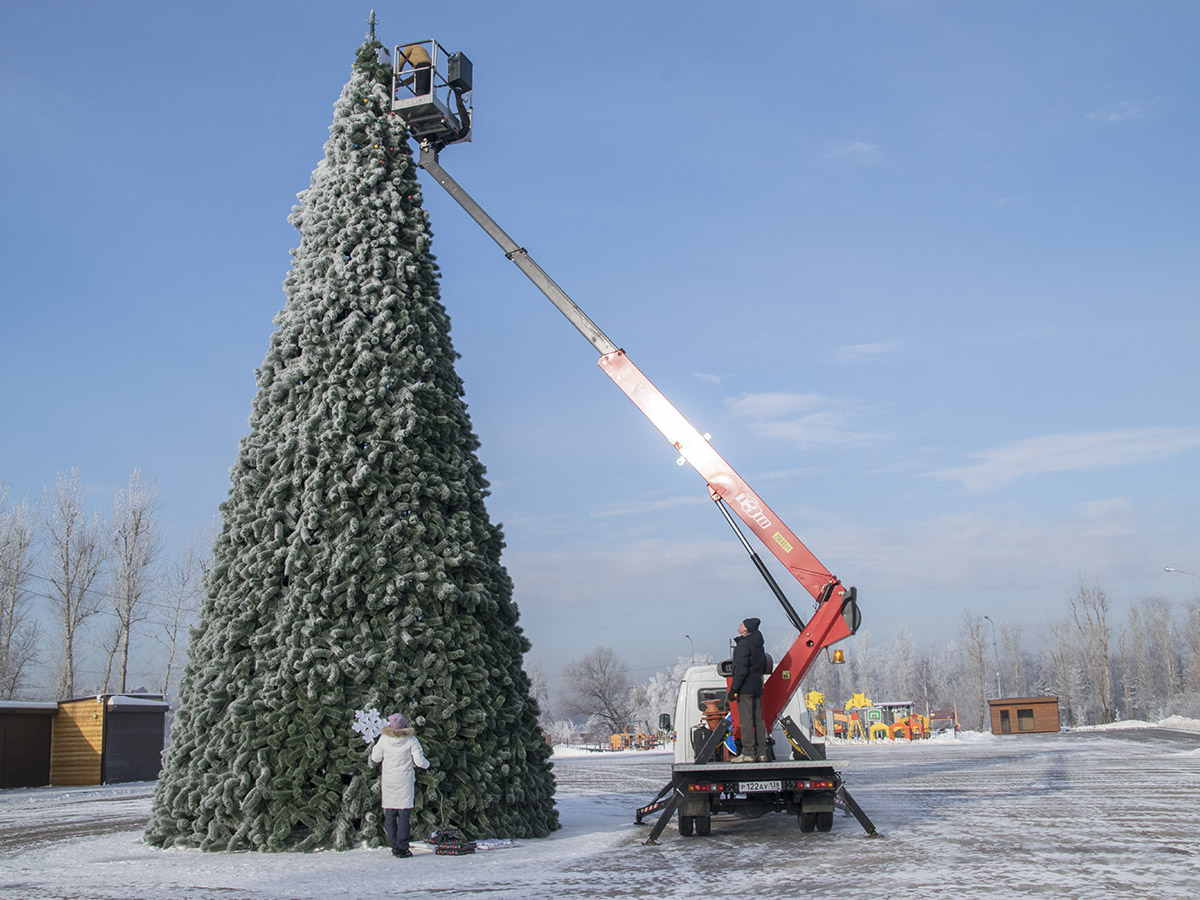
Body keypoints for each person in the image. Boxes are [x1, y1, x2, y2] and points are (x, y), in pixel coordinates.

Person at [370, 712, 430, 857]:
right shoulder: (411, 740)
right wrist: (428, 765)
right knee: (404, 815)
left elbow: (375, 758)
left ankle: (394, 846)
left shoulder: (384, 739)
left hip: (389, 781)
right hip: (405, 781)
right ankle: (403, 847)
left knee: (390, 814)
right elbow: (419, 761)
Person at [728, 617, 767, 762]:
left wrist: (734, 689)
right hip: (756, 686)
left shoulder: (744, 645)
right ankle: (762, 752)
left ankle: (748, 753)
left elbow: (741, 669)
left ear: (747, 629)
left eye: (742, 624)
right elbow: (762, 666)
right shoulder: (759, 645)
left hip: (745, 688)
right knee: (758, 720)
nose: (739, 625)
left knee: (746, 721)